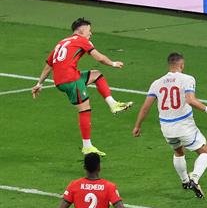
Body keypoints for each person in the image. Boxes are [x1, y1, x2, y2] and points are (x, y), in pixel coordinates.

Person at [31, 18, 133, 156]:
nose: (90, 34)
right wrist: (113, 64)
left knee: (96, 74)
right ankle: (87, 146)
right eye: (89, 31)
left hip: (62, 80)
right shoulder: (81, 40)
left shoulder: (61, 43)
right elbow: (99, 58)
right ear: (81, 31)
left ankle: (113, 104)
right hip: (71, 80)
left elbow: (49, 65)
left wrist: (39, 83)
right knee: (85, 109)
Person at [132, 53, 207, 199]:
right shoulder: (187, 79)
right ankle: (194, 178)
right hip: (184, 125)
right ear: (181, 65)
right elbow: (190, 100)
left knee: (178, 152)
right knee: (205, 152)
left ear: (169, 65)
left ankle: (184, 181)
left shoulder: (156, 83)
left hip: (166, 128)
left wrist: (137, 126)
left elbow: (145, 107)